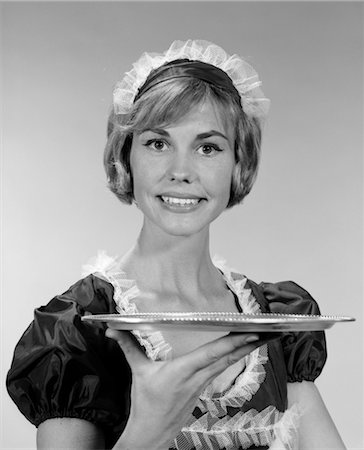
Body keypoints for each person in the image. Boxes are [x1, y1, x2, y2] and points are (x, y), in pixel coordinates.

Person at [7, 40, 346, 450]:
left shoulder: (275, 322)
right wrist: (146, 431)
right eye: (157, 143)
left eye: (208, 147)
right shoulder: (77, 332)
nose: (181, 171)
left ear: (239, 164)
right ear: (124, 156)